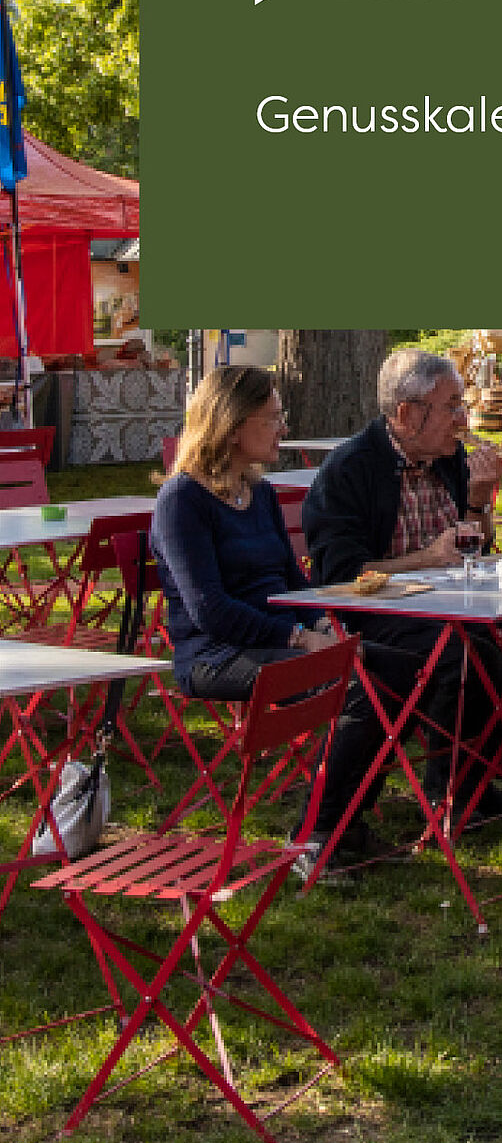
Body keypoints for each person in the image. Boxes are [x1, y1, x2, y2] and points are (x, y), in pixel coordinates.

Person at [302, 346, 502, 826]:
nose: (463, 419)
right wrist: (424, 560)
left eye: (462, 406)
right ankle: (449, 792)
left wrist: (479, 499)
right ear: (407, 414)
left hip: (448, 605)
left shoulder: (449, 458)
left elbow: (475, 546)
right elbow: (340, 576)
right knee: (466, 655)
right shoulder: (350, 469)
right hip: (378, 614)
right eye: (452, 407)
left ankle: (479, 777)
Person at [151, 365, 372, 884]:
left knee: (395, 672)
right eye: (272, 418)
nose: (283, 429)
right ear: (232, 426)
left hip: (280, 638)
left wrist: (323, 624)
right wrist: (299, 637)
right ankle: (315, 835)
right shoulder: (182, 500)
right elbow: (210, 610)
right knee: (354, 687)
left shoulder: (261, 493)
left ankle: (346, 822)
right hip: (215, 654)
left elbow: (292, 580)